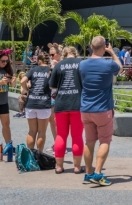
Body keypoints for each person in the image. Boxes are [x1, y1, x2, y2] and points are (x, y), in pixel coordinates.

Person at [79, 36, 121, 186]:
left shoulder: (82, 64)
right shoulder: (109, 64)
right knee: (105, 141)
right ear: (104, 47)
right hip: (103, 109)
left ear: (90, 47)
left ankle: (88, 173)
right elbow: (119, 67)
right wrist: (113, 53)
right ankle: (97, 173)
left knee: (89, 142)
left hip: (86, 109)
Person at [50, 46, 84, 174]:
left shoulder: (59, 65)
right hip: (77, 104)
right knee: (77, 136)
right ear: (75, 53)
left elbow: (52, 85)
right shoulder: (81, 64)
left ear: (63, 54)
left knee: (61, 135)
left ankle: (59, 166)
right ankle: (76, 167)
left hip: (61, 104)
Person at [21, 52, 53, 152]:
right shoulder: (50, 71)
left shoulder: (33, 70)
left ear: (39, 60)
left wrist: (26, 90)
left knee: (31, 131)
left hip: (31, 103)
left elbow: (22, 81)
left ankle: (30, 157)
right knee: (42, 132)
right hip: (44, 104)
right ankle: (39, 156)